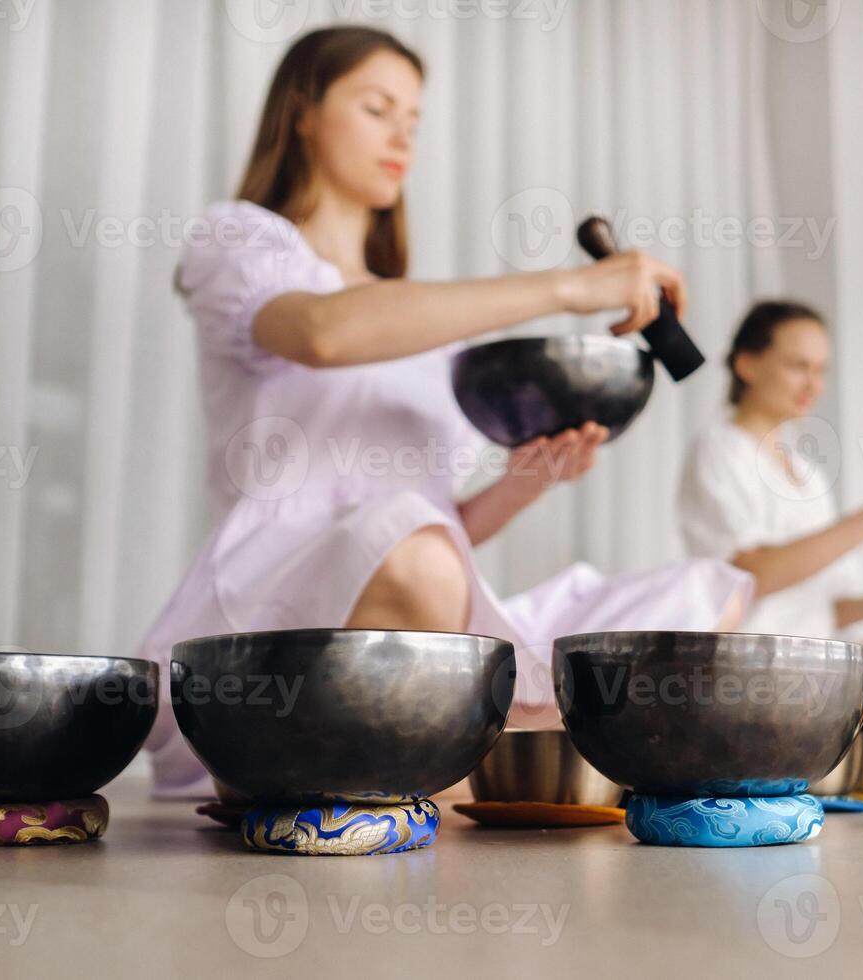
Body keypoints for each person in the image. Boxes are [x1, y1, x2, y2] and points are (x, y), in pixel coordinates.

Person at [136, 27, 752, 795]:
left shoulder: (422, 334)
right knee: (418, 553)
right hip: (280, 624)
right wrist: (570, 287)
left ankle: (466, 757)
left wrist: (522, 484)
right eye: (377, 107)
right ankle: (503, 760)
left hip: (420, 607)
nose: (403, 135)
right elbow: (325, 334)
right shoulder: (243, 241)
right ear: (302, 111)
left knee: (698, 597)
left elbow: (437, 525)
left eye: (415, 119)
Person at [678, 300, 863, 653]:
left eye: (821, 371)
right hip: (753, 666)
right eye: (799, 366)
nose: (814, 385)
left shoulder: (807, 475)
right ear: (747, 364)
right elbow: (751, 577)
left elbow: (826, 612)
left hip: (817, 658)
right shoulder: (720, 450)